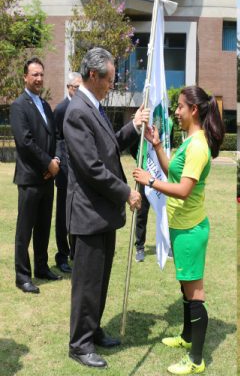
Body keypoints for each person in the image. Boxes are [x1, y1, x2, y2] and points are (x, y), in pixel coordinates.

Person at [65, 48, 147, 368]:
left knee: (99, 280)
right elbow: (92, 167)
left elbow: (109, 146)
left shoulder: (93, 106)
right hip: (88, 214)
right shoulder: (77, 111)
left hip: (102, 214)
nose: (112, 83)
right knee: (86, 284)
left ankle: (93, 329)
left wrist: (134, 126)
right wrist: (127, 192)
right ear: (93, 76)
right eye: (110, 78)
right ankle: (79, 344)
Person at [132, 85, 223, 374]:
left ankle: (196, 360)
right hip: (182, 228)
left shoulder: (197, 146)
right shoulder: (191, 141)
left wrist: (149, 181)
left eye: (180, 107)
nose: (177, 112)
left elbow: (183, 189)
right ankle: (186, 337)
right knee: (185, 286)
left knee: (195, 292)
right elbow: (175, 171)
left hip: (190, 230)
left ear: (193, 110)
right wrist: (158, 146)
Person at [10, 58, 62, 294]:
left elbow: (56, 138)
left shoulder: (45, 105)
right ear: (25, 77)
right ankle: (22, 276)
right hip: (30, 178)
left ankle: (41, 267)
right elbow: (25, 142)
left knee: (43, 227)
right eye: (34, 75)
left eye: (41, 74)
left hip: (47, 177)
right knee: (25, 229)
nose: (39, 79)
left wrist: (57, 161)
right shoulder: (19, 106)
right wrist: (47, 163)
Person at [52, 71, 82, 273]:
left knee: (78, 212)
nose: (79, 90)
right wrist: (58, 160)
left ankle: (76, 252)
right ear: (69, 88)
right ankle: (62, 255)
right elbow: (56, 138)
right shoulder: (61, 109)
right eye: (76, 87)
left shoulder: (84, 106)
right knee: (63, 214)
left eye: (81, 87)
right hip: (64, 170)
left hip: (81, 169)